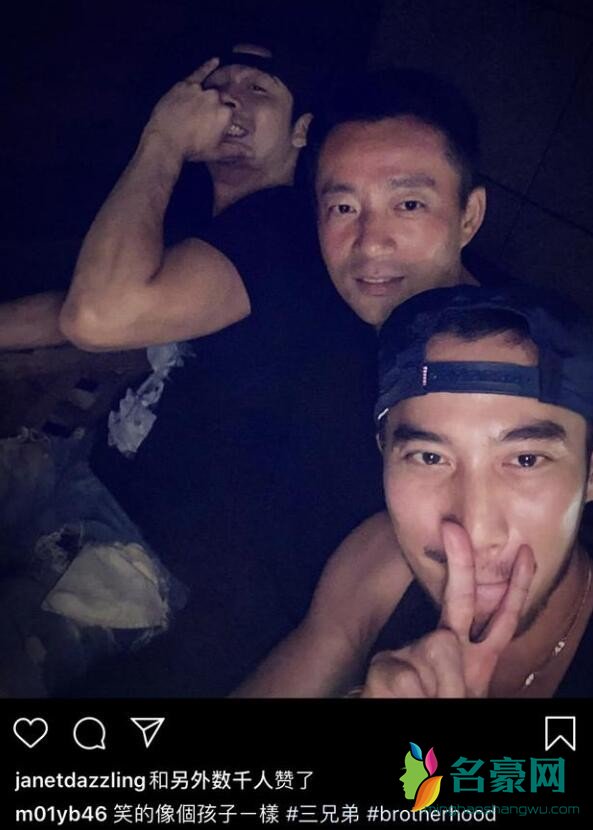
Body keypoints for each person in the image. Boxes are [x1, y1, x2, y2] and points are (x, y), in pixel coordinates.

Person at [235, 283, 593, 698]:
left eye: (526, 460)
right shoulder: (379, 563)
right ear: (384, 452)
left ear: (589, 473)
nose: (476, 531)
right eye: (429, 457)